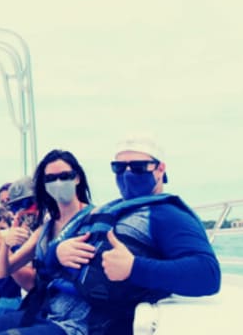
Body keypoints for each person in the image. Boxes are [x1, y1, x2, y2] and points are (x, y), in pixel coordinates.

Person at [53, 136, 221, 335]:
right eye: (119, 167)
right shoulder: (104, 210)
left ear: (160, 169)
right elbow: (45, 261)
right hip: (50, 310)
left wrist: (133, 267)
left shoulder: (168, 215)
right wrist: (58, 251)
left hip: (87, 327)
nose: (127, 173)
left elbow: (208, 274)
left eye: (138, 167)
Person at [0, 150, 94, 335]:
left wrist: (55, 255)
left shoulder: (92, 220)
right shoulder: (47, 228)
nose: (57, 183)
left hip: (73, 318)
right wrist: (6, 245)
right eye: (50, 179)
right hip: (45, 309)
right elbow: (4, 271)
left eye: (64, 176)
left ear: (77, 178)